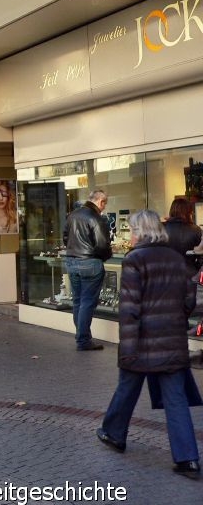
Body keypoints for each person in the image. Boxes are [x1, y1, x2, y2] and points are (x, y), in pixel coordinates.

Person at [96, 209, 200, 479]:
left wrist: (127, 350)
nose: (130, 235)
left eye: (132, 230)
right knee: (176, 400)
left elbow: (129, 310)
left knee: (127, 389)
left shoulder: (135, 260)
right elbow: (189, 302)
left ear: (141, 231)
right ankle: (188, 459)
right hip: (172, 342)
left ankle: (114, 434)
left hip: (141, 343)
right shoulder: (177, 259)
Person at [63, 188, 112, 351]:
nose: (104, 207)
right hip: (90, 263)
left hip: (72, 261)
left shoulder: (73, 215)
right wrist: (104, 257)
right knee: (86, 302)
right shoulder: (97, 218)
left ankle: (81, 336)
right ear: (100, 201)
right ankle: (83, 340)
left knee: (78, 301)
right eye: (104, 204)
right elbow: (102, 244)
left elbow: (65, 237)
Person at [163, 197, 202, 277]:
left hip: (166, 274)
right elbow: (201, 254)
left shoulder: (161, 228)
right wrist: (196, 267)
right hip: (190, 273)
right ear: (189, 212)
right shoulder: (196, 230)